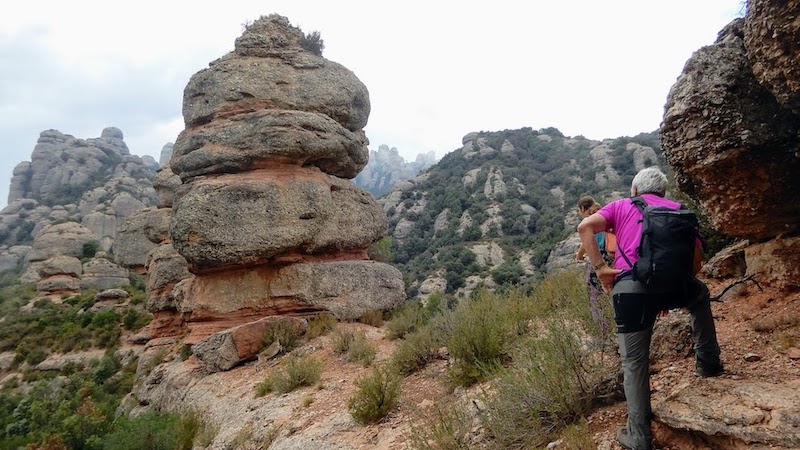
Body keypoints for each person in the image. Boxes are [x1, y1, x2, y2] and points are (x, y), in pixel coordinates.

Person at [576, 167, 723, 450]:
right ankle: (708, 363)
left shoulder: (622, 205)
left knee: (633, 362)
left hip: (631, 290)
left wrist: (602, 269)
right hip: (676, 288)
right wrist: (665, 286)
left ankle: (639, 437)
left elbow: (585, 228)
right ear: (664, 193)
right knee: (701, 295)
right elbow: (695, 266)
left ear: (634, 190)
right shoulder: (680, 210)